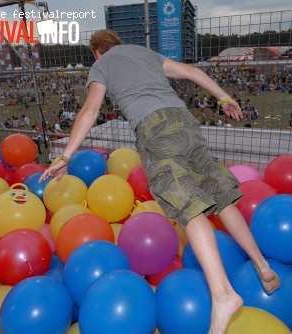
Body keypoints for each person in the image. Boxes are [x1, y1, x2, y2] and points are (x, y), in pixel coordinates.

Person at [39, 29, 279, 334]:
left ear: (97, 52)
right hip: (184, 121)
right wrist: (225, 97)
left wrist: (66, 156)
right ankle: (261, 265)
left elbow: (90, 110)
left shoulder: (102, 64)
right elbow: (191, 72)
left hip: (154, 129)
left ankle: (223, 295)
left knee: (187, 207)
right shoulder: (143, 53)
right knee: (220, 196)